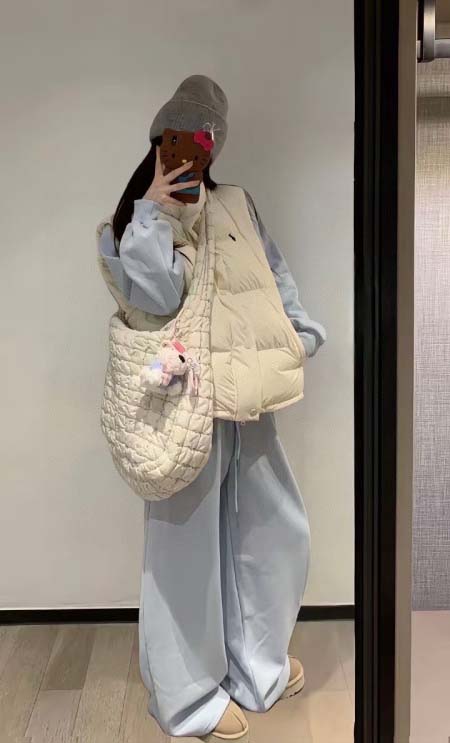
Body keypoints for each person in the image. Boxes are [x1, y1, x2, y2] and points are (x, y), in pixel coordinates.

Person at [97, 75, 326, 742]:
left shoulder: (237, 202)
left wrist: (300, 331)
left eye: (205, 138)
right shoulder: (139, 217)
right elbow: (156, 299)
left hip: (249, 395)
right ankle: (189, 698)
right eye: (182, 136)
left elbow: (272, 272)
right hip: (186, 401)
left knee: (273, 531)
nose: (195, 149)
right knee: (184, 549)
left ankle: (259, 668)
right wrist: (153, 215)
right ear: (160, 139)